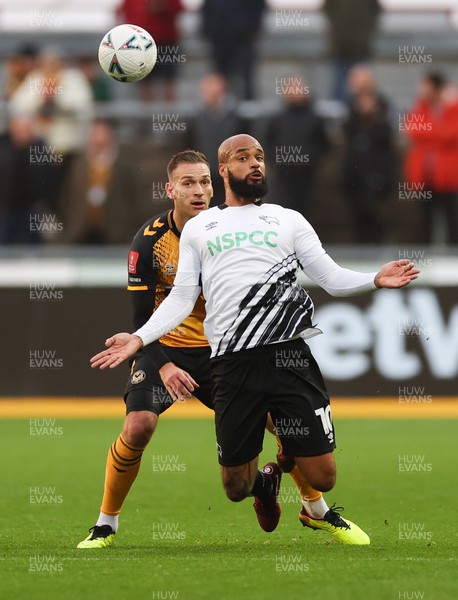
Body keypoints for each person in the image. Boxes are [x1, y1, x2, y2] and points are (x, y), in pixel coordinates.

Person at [90, 135, 419, 541]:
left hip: (273, 355)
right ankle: (106, 522)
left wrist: (373, 278)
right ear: (171, 189)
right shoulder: (178, 237)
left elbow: (330, 276)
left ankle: (316, 508)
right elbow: (177, 300)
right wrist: (143, 343)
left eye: (260, 157)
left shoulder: (287, 219)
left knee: (315, 464)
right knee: (202, 467)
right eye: (244, 158)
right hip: (200, 353)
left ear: (215, 181)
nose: (199, 190)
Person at [403, 71, 458, 244]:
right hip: (425, 175)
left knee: (453, 221)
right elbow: (413, 129)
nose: (422, 91)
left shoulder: (452, 107)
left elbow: (452, 132)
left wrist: (431, 137)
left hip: (450, 177)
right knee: (424, 221)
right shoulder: (421, 107)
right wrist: (439, 135)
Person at [342, 65, 395, 243]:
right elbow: (347, 132)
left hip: (377, 170)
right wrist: (359, 114)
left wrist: (373, 116)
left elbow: (386, 135)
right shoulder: (351, 105)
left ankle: (377, 246)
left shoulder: (383, 104)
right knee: (356, 213)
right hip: (354, 171)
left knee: (376, 212)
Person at [266, 76, 329, 217]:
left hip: (307, 176)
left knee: (304, 211)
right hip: (283, 175)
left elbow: (323, 145)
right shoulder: (278, 119)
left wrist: (309, 159)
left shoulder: (314, 118)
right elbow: (268, 143)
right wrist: (278, 161)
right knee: (283, 209)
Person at [116, 0, 184, 102]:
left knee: (169, 83)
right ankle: (148, 116)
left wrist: (164, 6)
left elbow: (179, 9)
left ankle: (169, 116)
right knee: (145, 84)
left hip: (166, 43)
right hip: (142, 44)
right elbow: (122, 11)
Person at [201, 0, 266, 100]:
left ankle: (249, 106)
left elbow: (259, 7)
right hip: (219, 39)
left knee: (245, 76)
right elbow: (207, 9)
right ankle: (223, 108)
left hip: (242, 39)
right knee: (220, 76)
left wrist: (254, 29)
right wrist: (207, 32)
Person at [323, 0, 381, 102]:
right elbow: (328, 9)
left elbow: (375, 11)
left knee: (363, 91)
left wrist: (364, 35)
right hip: (340, 50)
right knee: (337, 91)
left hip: (360, 49)